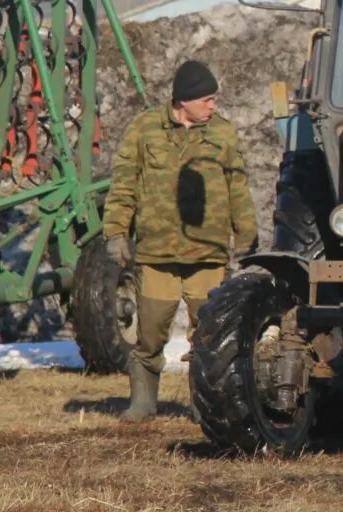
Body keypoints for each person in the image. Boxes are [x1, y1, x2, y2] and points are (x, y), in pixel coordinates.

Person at [101, 61, 257, 421]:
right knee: (151, 333)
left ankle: (205, 406)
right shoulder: (144, 129)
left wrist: (247, 235)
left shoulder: (223, 134)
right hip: (158, 254)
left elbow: (238, 187)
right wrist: (115, 232)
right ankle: (143, 402)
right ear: (183, 101)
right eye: (207, 99)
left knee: (209, 336)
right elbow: (123, 183)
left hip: (208, 254)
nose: (213, 106)